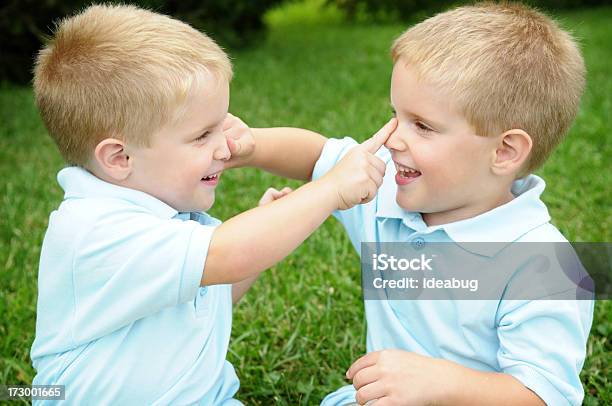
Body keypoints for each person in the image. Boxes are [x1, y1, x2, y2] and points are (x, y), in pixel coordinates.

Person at [29, 4, 394, 404]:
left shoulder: (173, 218)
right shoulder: (96, 230)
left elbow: (204, 295)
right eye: (203, 135)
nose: (224, 147)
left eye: (221, 126)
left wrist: (263, 226)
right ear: (120, 158)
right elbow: (229, 255)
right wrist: (330, 189)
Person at [236, 3, 594, 404]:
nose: (393, 139)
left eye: (422, 126)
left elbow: (544, 396)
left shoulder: (546, 266)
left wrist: (441, 384)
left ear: (505, 151)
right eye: (396, 116)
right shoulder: (387, 190)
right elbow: (319, 156)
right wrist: (249, 145)